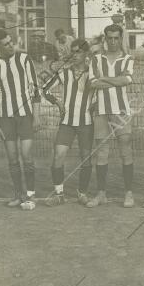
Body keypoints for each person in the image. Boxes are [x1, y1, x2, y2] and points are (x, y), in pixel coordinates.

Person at [0, 29, 41, 210]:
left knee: (27, 157)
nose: (11, 46)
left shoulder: (24, 59)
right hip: (5, 118)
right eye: (6, 44)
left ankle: (31, 196)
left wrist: (37, 116)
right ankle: (18, 195)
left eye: (11, 42)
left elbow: (35, 90)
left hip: (25, 115)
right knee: (12, 159)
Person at [86, 24, 136, 208]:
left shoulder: (127, 58)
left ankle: (128, 193)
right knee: (102, 152)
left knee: (125, 151)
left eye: (116, 38)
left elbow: (127, 80)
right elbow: (92, 84)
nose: (113, 41)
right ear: (105, 39)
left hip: (121, 110)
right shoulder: (95, 60)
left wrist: (104, 79)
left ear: (121, 38)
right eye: (110, 38)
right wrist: (116, 81)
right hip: (100, 110)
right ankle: (101, 194)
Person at [43, 39, 95, 206]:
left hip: (86, 123)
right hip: (67, 122)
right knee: (58, 155)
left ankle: (82, 192)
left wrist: (94, 106)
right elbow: (45, 89)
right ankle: (59, 194)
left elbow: (103, 93)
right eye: (72, 52)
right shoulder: (65, 73)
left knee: (86, 158)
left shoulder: (93, 74)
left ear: (86, 54)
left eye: (78, 52)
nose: (74, 55)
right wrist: (58, 103)